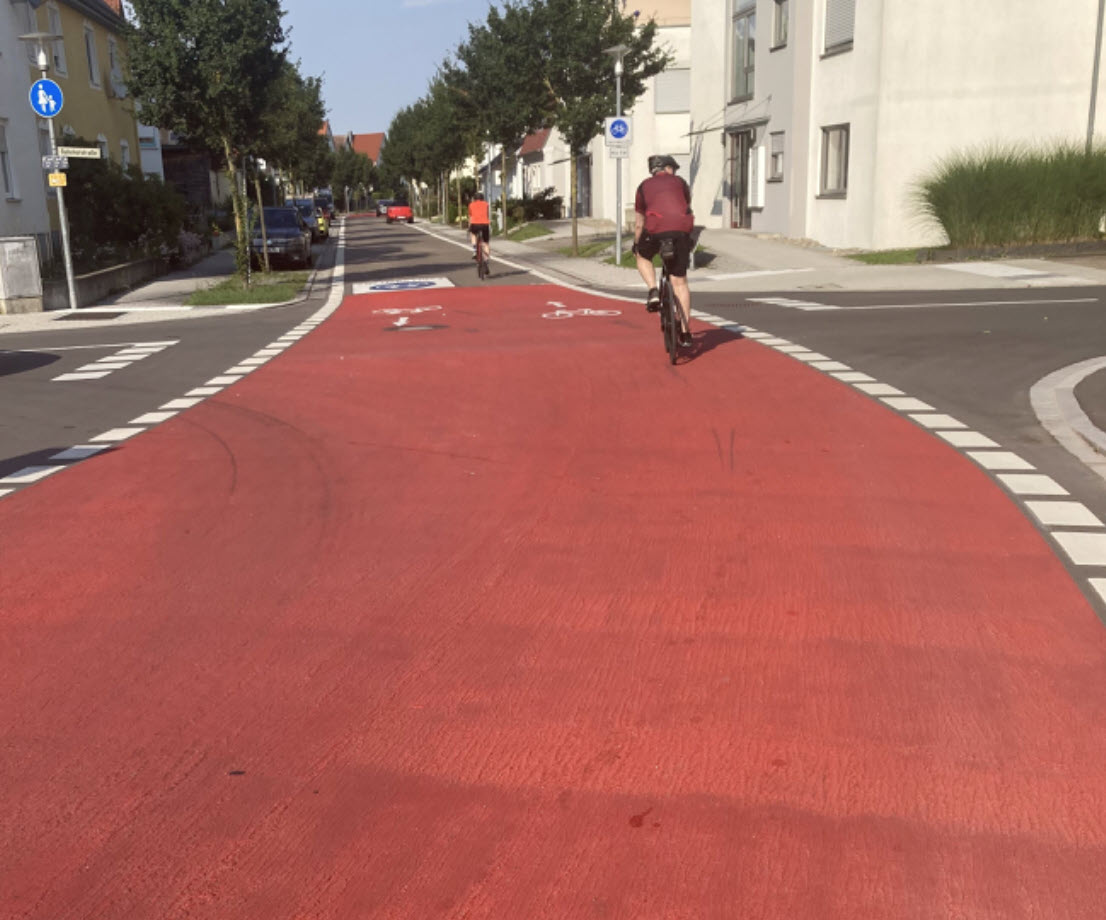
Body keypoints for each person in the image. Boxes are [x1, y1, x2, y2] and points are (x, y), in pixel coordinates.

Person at [634, 154, 695, 348]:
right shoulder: (681, 183)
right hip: (680, 230)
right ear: (667, 168)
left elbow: (638, 223)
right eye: (673, 169)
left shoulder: (643, 187)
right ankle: (685, 334)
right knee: (680, 283)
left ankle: (653, 289)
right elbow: (685, 205)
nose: (675, 172)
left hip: (655, 229)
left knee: (642, 255)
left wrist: (636, 243)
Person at [468, 192, 491, 267]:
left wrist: (469, 226)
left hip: (475, 224)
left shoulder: (471, 205)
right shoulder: (486, 204)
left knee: (473, 234)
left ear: (474, 199)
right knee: (486, 242)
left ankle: (475, 249)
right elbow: (487, 214)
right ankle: (486, 259)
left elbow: (470, 216)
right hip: (485, 224)